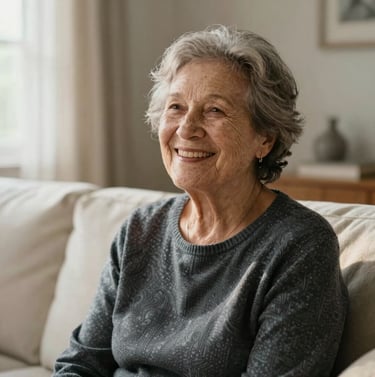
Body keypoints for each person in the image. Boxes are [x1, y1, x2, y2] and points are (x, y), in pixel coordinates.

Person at [53, 25, 348, 377]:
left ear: (264, 139)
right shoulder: (141, 229)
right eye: (176, 106)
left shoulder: (299, 246)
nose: (187, 128)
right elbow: (82, 361)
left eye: (215, 111)